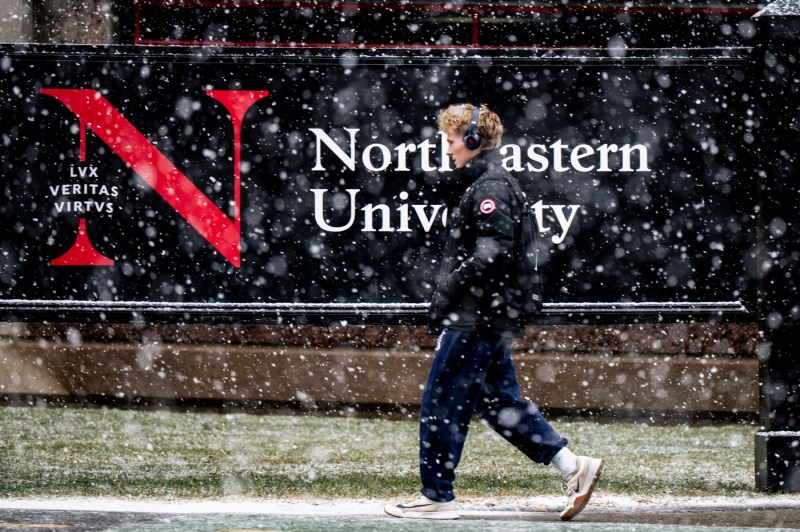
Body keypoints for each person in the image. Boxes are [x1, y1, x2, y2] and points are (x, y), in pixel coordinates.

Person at [385, 103, 603, 521]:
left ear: (471, 141)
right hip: (488, 315)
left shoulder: (490, 188)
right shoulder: (487, 184)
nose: (447, 150)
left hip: (476, 316)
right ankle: (573, 466)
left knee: (442, 400)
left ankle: (436, 497)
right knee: (499, 402)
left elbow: (492, 254)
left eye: (450, 141)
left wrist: (447, 290)